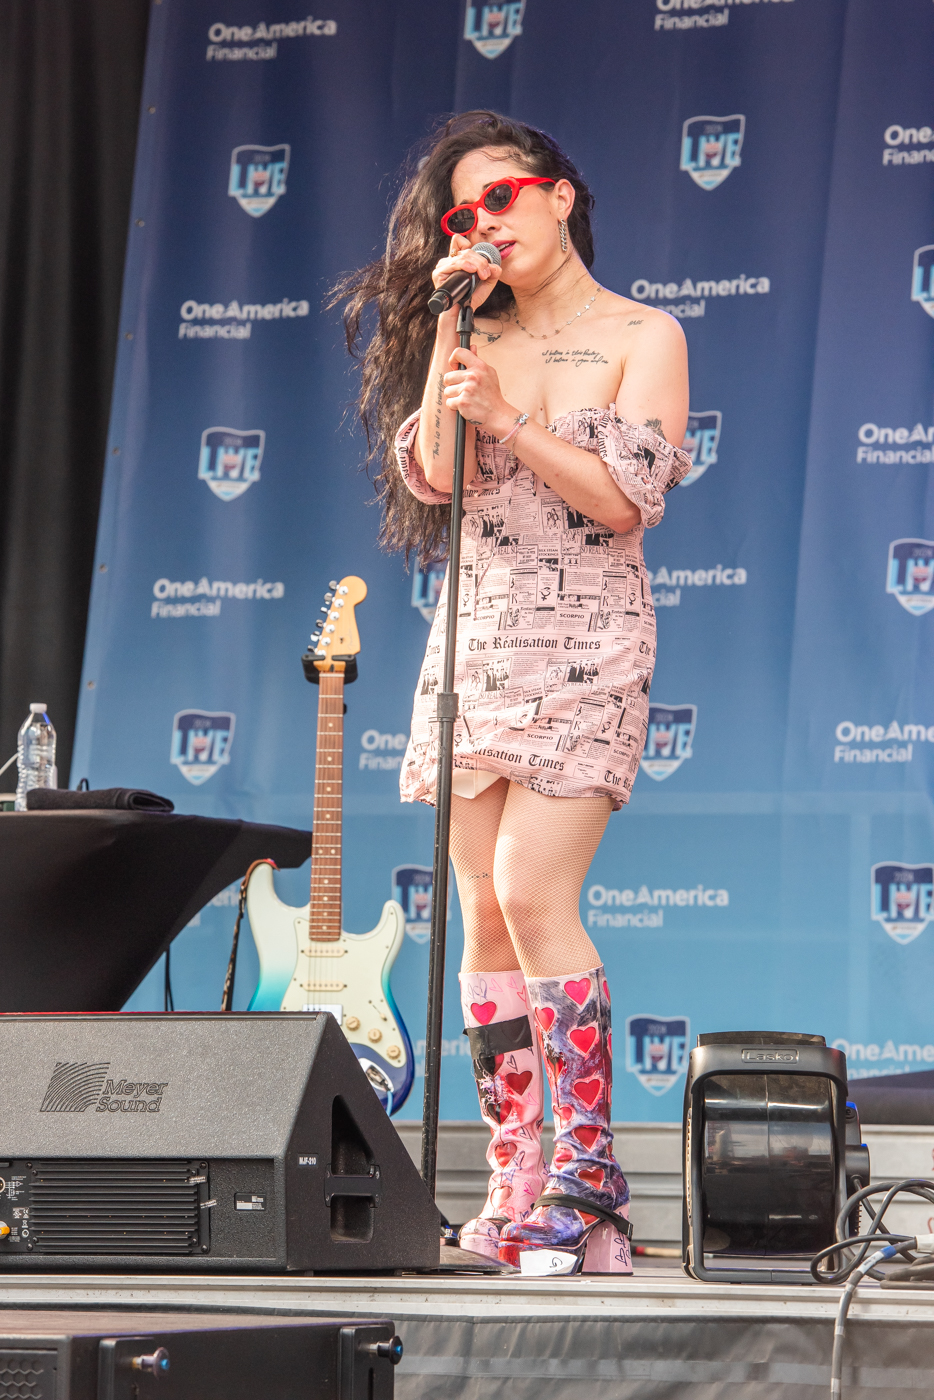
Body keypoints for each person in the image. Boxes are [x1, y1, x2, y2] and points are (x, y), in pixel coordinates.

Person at [334, 110, 691, 1275]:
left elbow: (623, 499)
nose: (483, 222)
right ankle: (515, 1177)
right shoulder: (469, 337)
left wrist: (510, 418)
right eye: (461, 211)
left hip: (587, 647)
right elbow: (437, 477)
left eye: (501, 197)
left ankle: (588, 1183)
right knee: (481, 912)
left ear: (559, 195)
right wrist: (452, 341)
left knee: (535, 890)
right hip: (474, 648)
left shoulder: (642, 333)